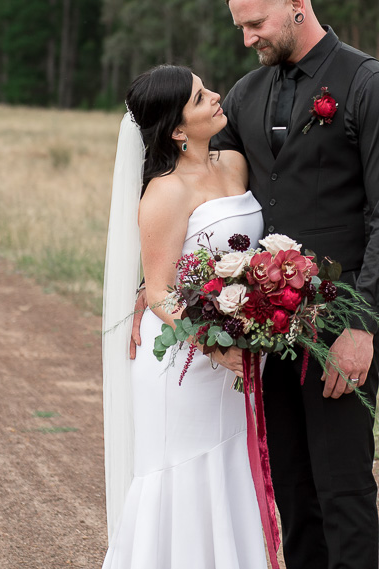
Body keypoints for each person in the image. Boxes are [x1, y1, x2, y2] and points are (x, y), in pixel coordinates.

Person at [213, 0, 379, 569]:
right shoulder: (247, 94)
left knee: (342, 489)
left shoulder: (370, 86)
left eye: (257, 23)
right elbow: (204, 176)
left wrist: (362, 326)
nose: (248, 37)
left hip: (338, 322)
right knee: (292, 491)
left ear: (296, 4)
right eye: (240, 26)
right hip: (264, 326)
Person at [101, 64, 268, 569]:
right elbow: (159, 293)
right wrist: (217, 348)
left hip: (235, 350)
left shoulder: (236, 164)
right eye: (200, 97)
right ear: (177, 129)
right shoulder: (164, 193)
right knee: (182, 477)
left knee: (228, 470)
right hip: (183, 360)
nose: (216, 96)